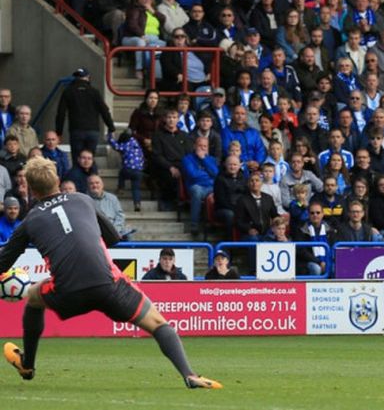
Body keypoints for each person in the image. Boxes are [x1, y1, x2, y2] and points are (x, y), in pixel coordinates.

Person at [0, 157, 220, 388]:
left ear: (32, 190)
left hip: (67, 291)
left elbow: (3, 262)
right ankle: (189, 374)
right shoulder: (83, 200)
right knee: (158, 324)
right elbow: (114, 237)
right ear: (57, 179)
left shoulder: (30, 220)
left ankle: (28, 365)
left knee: (34, 297)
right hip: (109, 286)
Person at [55, 68, 116, 165]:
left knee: (77, 160)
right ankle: (92, 177)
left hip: (76, 130)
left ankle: (77, 179)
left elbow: (61, 113)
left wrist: (59, 132)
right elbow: (104, 111)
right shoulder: (94, 92)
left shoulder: (68, 91)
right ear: (87, 77)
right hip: (93, 130)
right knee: (89, 159)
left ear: (75, 77)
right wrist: (111, 127)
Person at [182, 137, 218, 236]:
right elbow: (193, 175)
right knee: (197, 192)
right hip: (196, 186)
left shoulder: (211, 159)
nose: (202, 148)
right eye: (200, 146)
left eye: (205, 146)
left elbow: (216, 174)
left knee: (221, 192)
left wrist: (204, 159)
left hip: (211, 187)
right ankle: (194, 225)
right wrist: (208, 174)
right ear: (194, 146)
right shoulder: (187, 159)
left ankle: (213, 224)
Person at [87, 174, 132, 240]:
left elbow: (120, 216)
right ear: (88, 186)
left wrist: (114, 230)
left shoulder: (112, 198)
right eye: (91, 183)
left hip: (114, 229)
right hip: (95, 232)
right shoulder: (84, 199)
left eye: (97, 183)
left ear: (102, 185)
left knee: (128, 235)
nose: (95, 185)